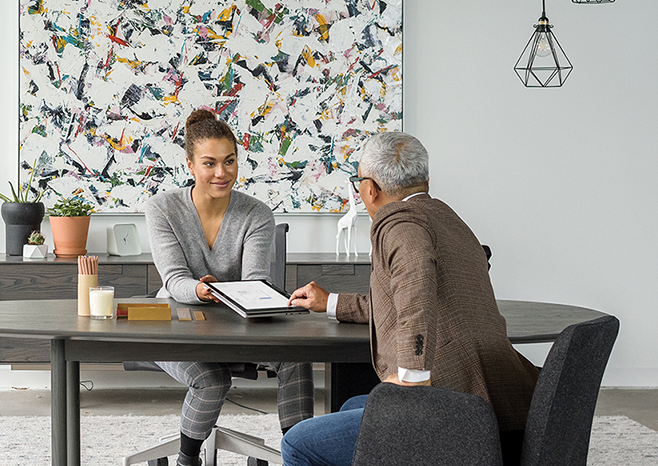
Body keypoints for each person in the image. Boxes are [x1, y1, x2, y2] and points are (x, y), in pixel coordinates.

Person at [281, 132, 541, 466]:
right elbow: (406, 295)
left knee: (298, 444)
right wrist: (329, 302)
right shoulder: (446, 218)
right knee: (351, 406)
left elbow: (416, 281)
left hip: (454, 414)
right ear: (426, 180)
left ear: (370, 189)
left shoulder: (397, 221)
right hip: (497, 403)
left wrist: (413, 375)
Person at [146, 109, 313, 466]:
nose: (221, 173)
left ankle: (302, 456)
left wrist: (231, 294)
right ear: (190, 165)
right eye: (209, 163)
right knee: (212, 378)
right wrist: (202, 291)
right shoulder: (162, 208)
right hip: (177, 326)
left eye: (230, 161)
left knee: (296, 356)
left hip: (238, 325)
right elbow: (174, 280)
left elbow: (253, 283)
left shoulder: (256, 214)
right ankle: (187, 459)